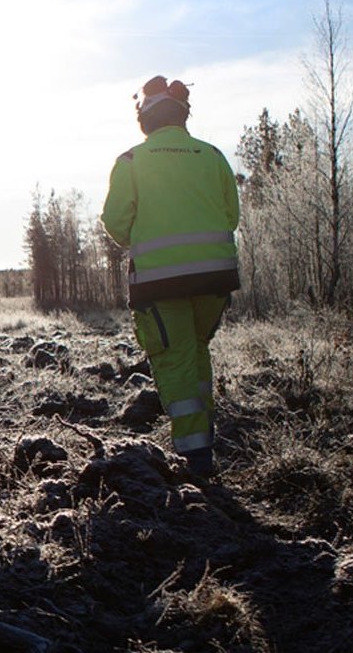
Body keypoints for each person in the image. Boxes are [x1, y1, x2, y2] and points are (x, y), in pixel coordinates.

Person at [100, 75, 240, 477]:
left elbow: (116, 222)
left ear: (145, 118)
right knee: (195, 351)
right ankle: (202, 439)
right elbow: (231, 216)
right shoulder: (212, 155)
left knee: (176, 357)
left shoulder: (131, 161)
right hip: (216, 278)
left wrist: (147, 239)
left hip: (161, 282)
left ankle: (195, 457)